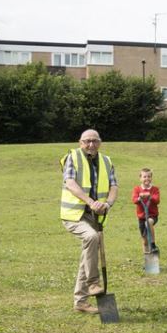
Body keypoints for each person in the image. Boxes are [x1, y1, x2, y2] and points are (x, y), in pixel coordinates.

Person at [60, 129, 118, 314]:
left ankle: (81, 302)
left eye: (94, 141)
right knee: (92, 238)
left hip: (96, 217)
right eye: (87, 141)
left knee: (88, 255)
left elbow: (114, 186)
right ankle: (93, 283)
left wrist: (107, 204)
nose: (91, 144)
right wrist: (91, 202)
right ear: (80, 142)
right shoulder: (73, 157)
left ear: (100, 142)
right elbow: (70, 182)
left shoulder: (107, 161)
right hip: (74, 215)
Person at [131, 167, 160, 254]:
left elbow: (157, 199)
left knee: (149, 222)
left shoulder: (155, 189)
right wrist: (139, 197)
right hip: (141, 217)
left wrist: (150, 196)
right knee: (144, 241)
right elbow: (134, 200)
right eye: (144, 177)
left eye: (149, 176)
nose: (147, 178)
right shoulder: (137, 189)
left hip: (152, 215)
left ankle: (153, 244)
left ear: (151, 178)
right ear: (140, 178)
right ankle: (147, 259)